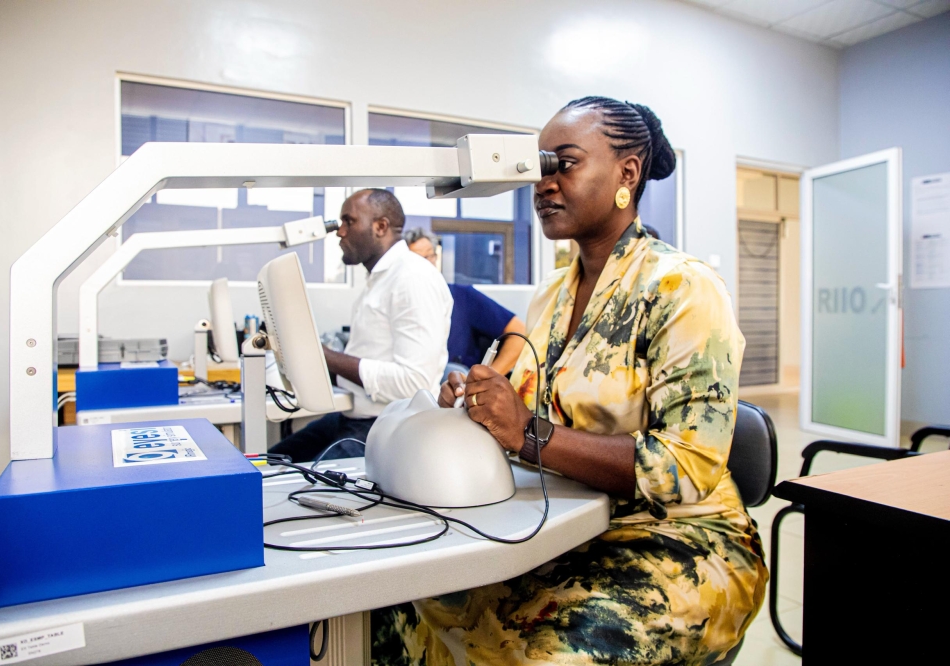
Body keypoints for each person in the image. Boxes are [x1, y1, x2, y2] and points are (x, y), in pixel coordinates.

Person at [372, 98, 767, 665]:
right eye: (538, 168)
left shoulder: (684, 288)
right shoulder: (551, 294)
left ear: (627, 174)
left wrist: (527, 432)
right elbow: (526, 410)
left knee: (532, 657)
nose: (544, 183)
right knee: (400, 611)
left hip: (680, 545)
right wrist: (476, 401)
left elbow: (684, 469)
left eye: (565, 164)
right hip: (570, 524)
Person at [270, 189, 452, 462]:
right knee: (269, 462)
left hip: (386, 426)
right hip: (353, 416)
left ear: (380, 226)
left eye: (349, 221)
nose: (339, 232)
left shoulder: (413, 279)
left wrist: (324, 357)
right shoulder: (380, 279)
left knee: (296, 487)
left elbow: (415, 384)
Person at [403, 227, 527, 375]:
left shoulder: (462, 297)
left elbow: (519, 332)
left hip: (459, 388)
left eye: (431, 256)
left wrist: (488, 379)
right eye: (420, 259)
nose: (428, 263)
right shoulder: (401, 305)